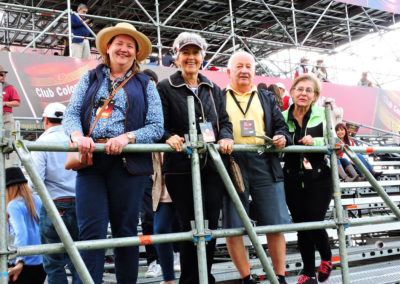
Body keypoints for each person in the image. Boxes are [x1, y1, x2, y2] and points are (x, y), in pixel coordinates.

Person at [63, 22, 164, 284]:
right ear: (108, 48)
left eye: (130, 46)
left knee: (126, 231)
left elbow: (156, 127)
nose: (124, 49)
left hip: (127, 165)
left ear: (136, 53)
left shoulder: (145, 84)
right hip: (91, 162)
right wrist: (78, 136)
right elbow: (72, 114)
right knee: (91, 231)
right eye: (119, 43)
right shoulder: (89, 78)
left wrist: (127, 137)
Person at [157, 32, 234, 284]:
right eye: (185, 53)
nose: (191, 58)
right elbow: (159, 126)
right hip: (180, 167)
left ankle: (205, 276)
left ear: (203, 57)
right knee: (188, 225)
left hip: (211, 165)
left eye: (196, 53)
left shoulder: (213, 88)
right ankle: (190, 279)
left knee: (209, 225)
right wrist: (168, 137)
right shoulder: (165, 87)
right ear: (176, 57)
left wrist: (226, 137)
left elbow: (224, 122)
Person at [222, 51, 291, 284]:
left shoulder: (266, 97)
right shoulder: (218, 97)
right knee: (233, 225)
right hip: (232, 162)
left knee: (275, 222)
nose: (244, 70)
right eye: (238, 66)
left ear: (253, 71)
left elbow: (282, 126)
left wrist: (281, 136)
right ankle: (246, 278)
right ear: (229, 72)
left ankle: (278, 277)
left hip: (264, 159)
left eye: (248, 66)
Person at [282, 74, 333, 284]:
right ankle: (308, 272)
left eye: (308, 90)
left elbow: (334, 140)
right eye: (300, 89)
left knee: (313, 221)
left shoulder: (323, 113)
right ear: (292, 92)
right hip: (292, 177)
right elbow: (278, 137)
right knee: (301, 225)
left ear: (315, 95)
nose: (303, 93)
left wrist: (316, 141)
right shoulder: (283, 116)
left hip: (319, 177)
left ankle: (327, 257)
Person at [29, 103, 79, 284]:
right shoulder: (75, 139)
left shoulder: (41, 142)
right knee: (79, 259)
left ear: (46, 120)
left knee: (53, 261)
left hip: (55, 205)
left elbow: (35, 182)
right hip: (80, 203)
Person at [6, 167, 46, 284]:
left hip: (23, 265)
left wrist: (20, 261)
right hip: (41, 264)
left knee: (2, 274)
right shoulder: (36, 199)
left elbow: (21, 232)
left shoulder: (13, 205)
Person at [0, 65, 21, 136]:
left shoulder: (9, 87)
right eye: (1, 74)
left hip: (7, 116)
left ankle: (10, 144)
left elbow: (17, 103)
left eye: (4, 74)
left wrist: (5, 103)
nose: (3, 76)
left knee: (10, 136)